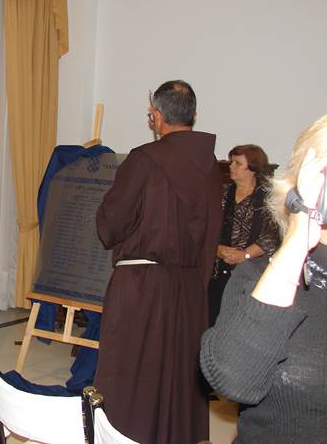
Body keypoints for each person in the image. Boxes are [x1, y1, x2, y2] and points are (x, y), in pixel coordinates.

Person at [200, 108, 327, 442]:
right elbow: (234, 381)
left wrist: (244, 252)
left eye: (238, 163)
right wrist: (300, 234)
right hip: (233, 268)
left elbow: (263, 236)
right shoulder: (260, 279)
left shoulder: (255, 197)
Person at [94, 80, 222, 443]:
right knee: (177, 375)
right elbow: (211, 230)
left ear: (156, 116)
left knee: (133, 372)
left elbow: (112, 222)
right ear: (194, 115)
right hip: (190, 286)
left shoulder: (144, 159)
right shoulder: (211, 166)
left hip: (143, 285)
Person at [208, 144, 280, 326]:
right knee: (214, 321)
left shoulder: (269, 198)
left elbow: (272, 235)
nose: (231, 166)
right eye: (231, 162)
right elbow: (205, 228)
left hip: (253, 274)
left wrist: (245, 255)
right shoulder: (220, 193)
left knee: (243, 324)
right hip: (218, 272)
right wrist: (217, 249)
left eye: (237, 163)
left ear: (253, 168)